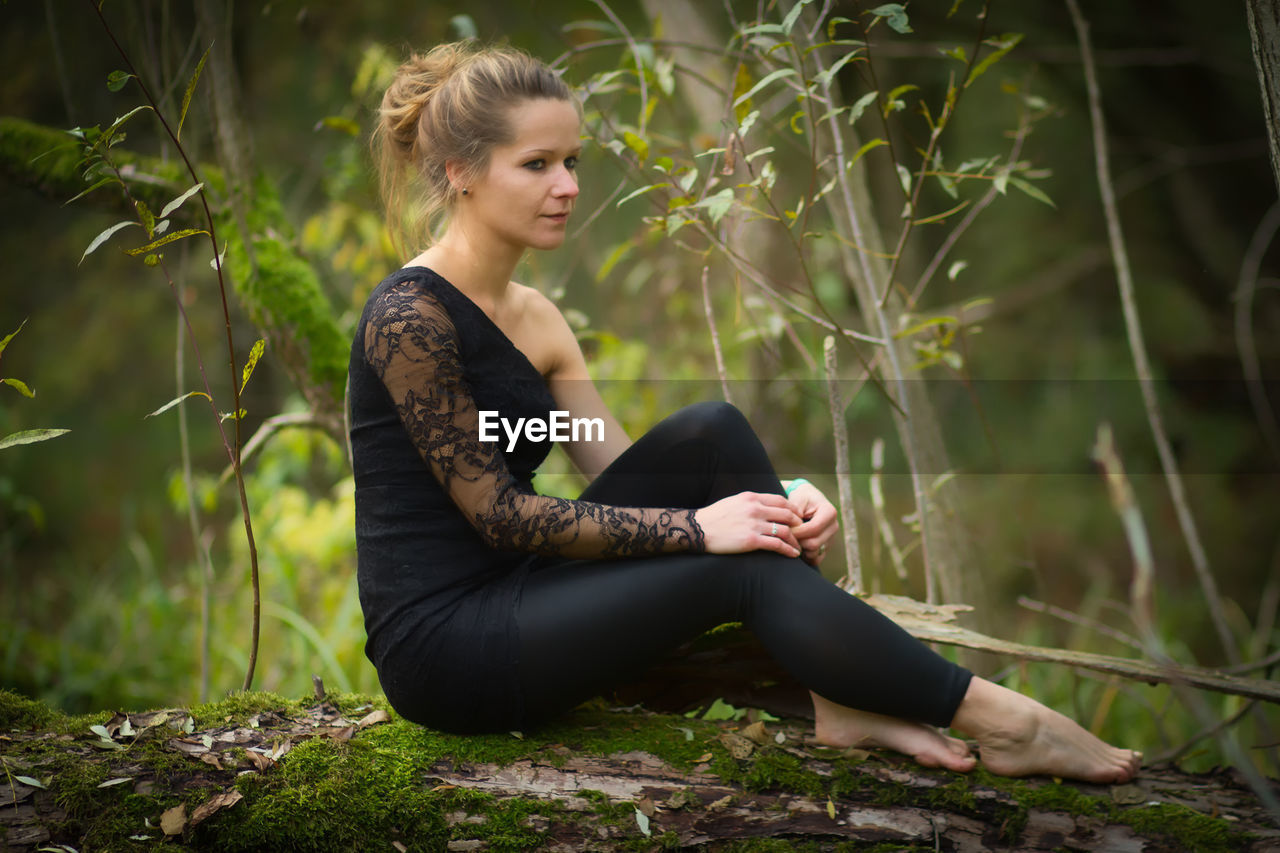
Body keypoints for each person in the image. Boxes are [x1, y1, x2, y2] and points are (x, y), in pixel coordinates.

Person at [348, 40, 1141, 784]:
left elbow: (615, 471)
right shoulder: (411, 321)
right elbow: (502, 517)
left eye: (572, 161)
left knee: (710, 433)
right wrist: (703, 529)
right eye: (538, 164)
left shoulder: (537, 318)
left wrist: (781, 497)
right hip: (448, 647)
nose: (569, 186)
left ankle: (837, 694)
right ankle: (1000, 718)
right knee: (739, 571)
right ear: (461, 172)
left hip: (526, 592)